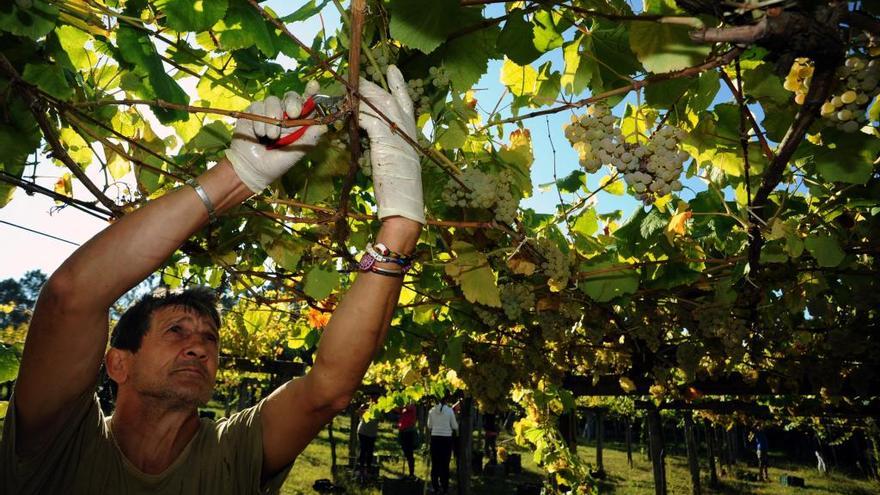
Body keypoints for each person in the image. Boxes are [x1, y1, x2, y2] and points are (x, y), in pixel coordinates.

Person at [1, 66, 425, 494]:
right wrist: (236, 175)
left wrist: (401, 227)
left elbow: (328, 390)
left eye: (210, 337)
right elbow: (70, 296)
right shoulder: (59, 444)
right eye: (176, 330)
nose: (200, 346)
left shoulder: (233, 450)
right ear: (118, 363)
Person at [427, 396, 458, 495]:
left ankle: (435, 487)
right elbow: (454, 426)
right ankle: (444, 488)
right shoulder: (449, 411)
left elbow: (429, 426)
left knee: (435, 464)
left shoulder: (431, 411)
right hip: (446, 439)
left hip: (435, 438)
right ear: (446, 400)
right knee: (445, 464)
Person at [356, 400, 379, 480]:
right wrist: (363, 409)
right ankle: (361, 469)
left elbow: (381, 418)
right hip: (363, 431)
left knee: (370, 451)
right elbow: (359, 413)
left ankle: (368, 470)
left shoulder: (379, 407)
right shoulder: (365, 405)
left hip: (372, 433)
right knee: (363, 449)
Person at [396, 403, 417, 478]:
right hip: (402, 432)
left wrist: (401, 405)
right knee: (405, 452)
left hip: (409, 432)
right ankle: (407, 473)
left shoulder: (412, 406)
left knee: (409, 454)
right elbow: (396, 409)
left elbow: (407, 407)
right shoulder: (403, 409)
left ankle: (411, 473)